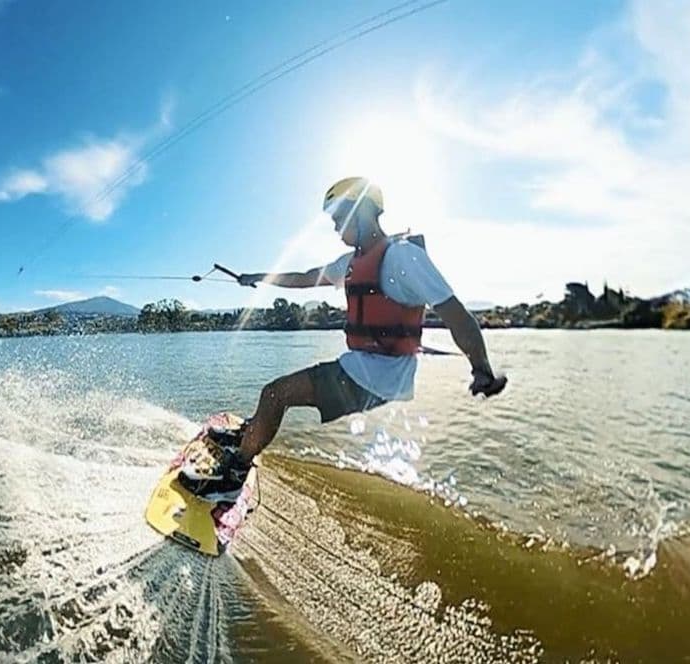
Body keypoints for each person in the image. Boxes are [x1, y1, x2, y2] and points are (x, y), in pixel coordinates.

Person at [181, 176, 507, 501]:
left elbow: (457, 315)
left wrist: (481, 367)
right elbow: (306, 278)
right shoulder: (350, 263)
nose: (336, 229)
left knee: (274, 395)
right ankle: (248, 434)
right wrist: (258, 277)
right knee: (275, 396)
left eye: (339, 219)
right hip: (361, 366)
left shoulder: (403, 257)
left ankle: (232, 475)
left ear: (362, 211)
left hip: (378, 375)